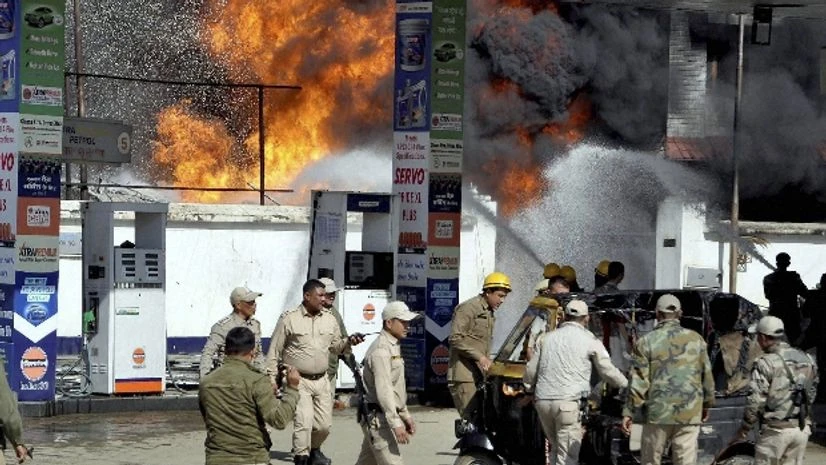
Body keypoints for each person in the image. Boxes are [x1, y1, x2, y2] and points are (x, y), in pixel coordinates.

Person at [267, 279, 365, 465]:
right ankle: (301, 457)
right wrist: (271, 378)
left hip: (322, 380)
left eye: (325, 295)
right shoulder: (289, 319)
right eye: (320, 295)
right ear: (307, 296)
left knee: (323, 427)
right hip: (298, 380)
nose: (324, 299)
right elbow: (274, 351)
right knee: (303, 422)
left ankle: (312, 450)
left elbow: (336, 347)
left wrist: (349, 342)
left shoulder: (330, 318)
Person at [524, 300, 628, 465]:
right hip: (568, 405)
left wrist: (529, 390)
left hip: (543, 403)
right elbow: (608, 371)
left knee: (555, 450)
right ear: (586, 318)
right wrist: (627, 385)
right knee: (567, 457)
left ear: (565, 316)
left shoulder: (546, 338)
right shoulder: (590, 340)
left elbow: (530, 371)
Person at [622, 294, 714, 465]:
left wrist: (629, 412)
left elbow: (638, 382)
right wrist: (707, 404)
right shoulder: (697, 340)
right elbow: (707, 376)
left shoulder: (646, 342)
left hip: (658, 412)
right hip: (689, 411)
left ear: (657, 314)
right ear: (680, 313)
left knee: (651, 460)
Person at [199, 326, 301, 465]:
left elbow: (209, 418)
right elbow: (279, 420)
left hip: (216, 458)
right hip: (251, 458)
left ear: (225, 349)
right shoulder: (257, 380)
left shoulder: (207, 382)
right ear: (253, 351)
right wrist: (292, 388)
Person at [733, 316, 818, 465]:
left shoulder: (765, 363)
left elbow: (756, 400)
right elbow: (811, 392)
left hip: (775, 432)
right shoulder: (807, 359)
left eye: (758, 337)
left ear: (764, 337)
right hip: (801, 429)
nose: (757, 341)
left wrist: (745, 428)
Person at [355, 301, 420, 465]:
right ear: (389, 323)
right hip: (378, 418)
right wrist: (396, 423)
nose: (408, 326)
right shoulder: (382, 351)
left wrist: (405, 414)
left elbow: (396, 387)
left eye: (408, 322)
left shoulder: (393, 345)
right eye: (403, 322)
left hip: (381, 415)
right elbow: (384, 391)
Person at [448, 271, 511, 418]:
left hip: (479, 375)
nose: (502, 301)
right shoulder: (468, 308)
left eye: (504, 297)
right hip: (464, 376)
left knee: (483, 421)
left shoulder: (488, 312)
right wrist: (480, 358)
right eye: (500, 296)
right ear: (488, 292)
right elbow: (455, 339)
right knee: (471, 421)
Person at [200, 286, 266, 378]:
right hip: (229, 378)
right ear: (238, 305)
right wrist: (204, 378)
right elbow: (208, 353)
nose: (254, 305)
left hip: (250, 377)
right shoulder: (223, 327)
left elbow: (258, 353)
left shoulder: (255, 325)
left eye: (254, 301)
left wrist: (264, 376)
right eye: (250, 302)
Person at [319, 277, 358, 401]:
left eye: (333, 293)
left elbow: (344, 343)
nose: (332, 296)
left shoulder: (335, 314)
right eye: (328, 293)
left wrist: (354, 368)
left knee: (325, 417)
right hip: (310, 375)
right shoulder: (308, 313)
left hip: (329, 374)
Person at [763, 253, 808, 346]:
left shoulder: (768, 278)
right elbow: (804, 292)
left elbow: (768, 295)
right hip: (791, 315)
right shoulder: (793, 277)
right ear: (788, 263)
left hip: (776, 313)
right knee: (795, 343)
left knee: (774, 343)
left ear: (777, 263)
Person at [802, 273, 826, 400]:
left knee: (797, 352)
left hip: (815, 330)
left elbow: (805, 313)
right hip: (819, 331)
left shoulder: (813, 295)